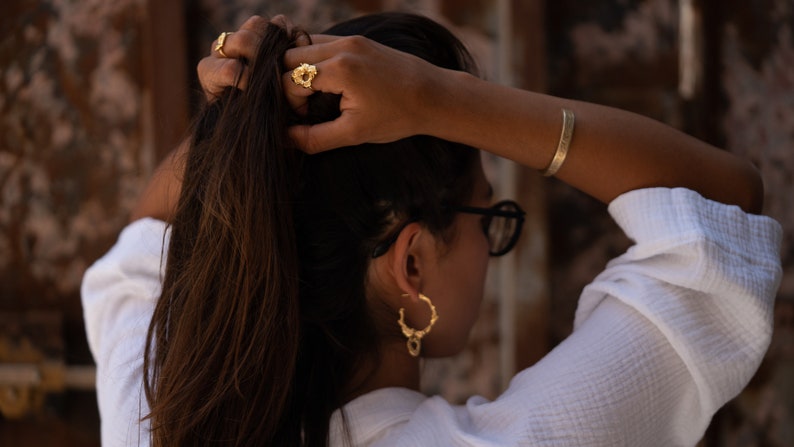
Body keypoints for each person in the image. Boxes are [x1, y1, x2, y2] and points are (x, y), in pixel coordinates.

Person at [81, 12, 782, 447]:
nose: (489, 247)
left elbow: (148, 242)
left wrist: (246, 115)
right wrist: (438, 100)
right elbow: (722, 217)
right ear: (411, 266)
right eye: (488, 214)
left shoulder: (156, 416)